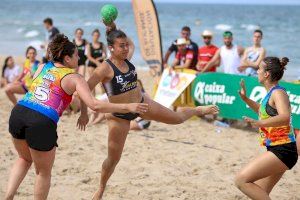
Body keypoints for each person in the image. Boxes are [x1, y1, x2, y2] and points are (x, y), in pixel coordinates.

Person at [79, 22, 219, 199]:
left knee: (177, 118)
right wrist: (84, 113)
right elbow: (84, 90)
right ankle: (100, 187)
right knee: (113, 159)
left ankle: (197, 110)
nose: (125, 48)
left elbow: (130, 43)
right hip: (118, 116)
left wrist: (114, 28)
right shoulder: (104, 69)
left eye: (126, 45)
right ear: (111, 48)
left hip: (142, 103)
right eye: (121, 46)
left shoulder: (127, 59)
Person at [4, 34, 148, 200]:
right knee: (43, 173)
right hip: (41, 120)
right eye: (76, 55)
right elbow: (95, 104)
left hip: (19, 112)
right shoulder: (75, 78)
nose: (79, 57)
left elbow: (39, 89)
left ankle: (8, 196)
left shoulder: (42, 66)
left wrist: (84, 114)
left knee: (23, 158)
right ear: (66, 58)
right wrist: (127, 106)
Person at [235, 57, 298, 199]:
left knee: (241, 180)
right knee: (261, 193)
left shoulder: (278, 92)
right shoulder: (271, 93)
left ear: (266, 74)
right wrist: (246, 99)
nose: (257, 71)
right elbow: (262, 112)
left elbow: (285, 117)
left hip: (284, 150)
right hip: (277, 148)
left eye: (259, 69)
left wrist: (259, 124)